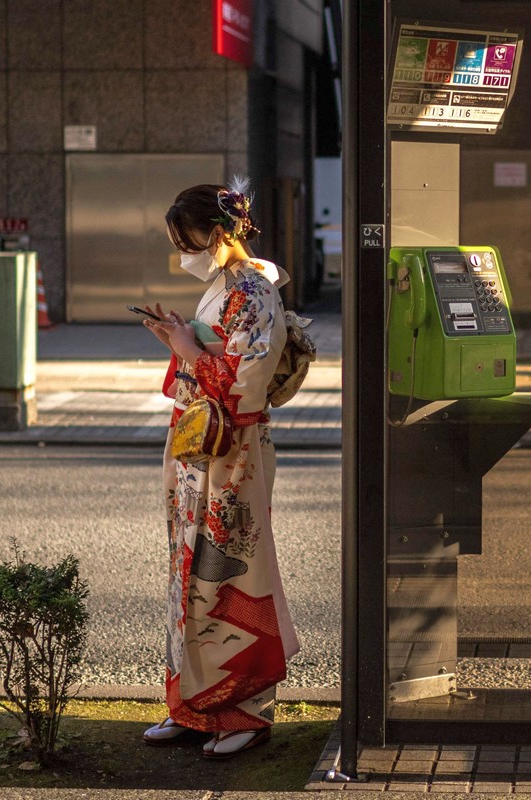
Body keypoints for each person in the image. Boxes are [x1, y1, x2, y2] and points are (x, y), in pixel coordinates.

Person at [138, 180, 299, 759]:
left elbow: (245, 386)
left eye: (189, 240)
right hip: (197, 445)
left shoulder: (255, 292)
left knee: (232, 573)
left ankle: (247, 711)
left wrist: (189, 350)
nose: (185, 252)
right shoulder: (222, 289)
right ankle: (192, 706)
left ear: (220, 233)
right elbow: (210, 362)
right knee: (187, 572)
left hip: (234, 454)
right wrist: (177, 340)